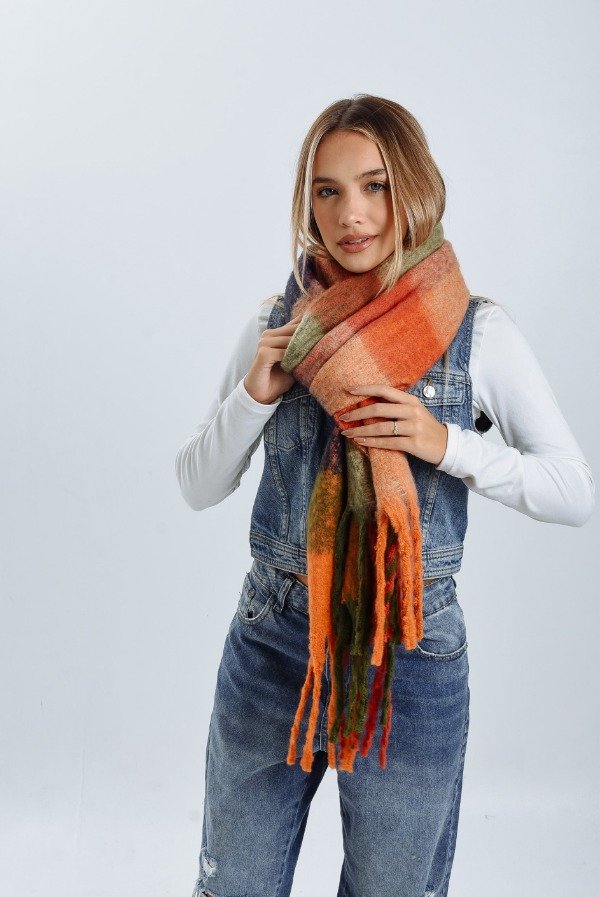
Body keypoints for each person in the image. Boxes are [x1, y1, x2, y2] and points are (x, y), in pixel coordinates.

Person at [175, 94, 595, 897]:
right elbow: (198, 483)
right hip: (276, 641)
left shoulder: (477, 331)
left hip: (411, 649)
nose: (352, 214)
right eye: (328, 191)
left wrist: (446, 443)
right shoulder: (277, 325)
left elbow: (574, 489)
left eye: (375, 185)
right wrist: (254, 396)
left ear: (415, 188)